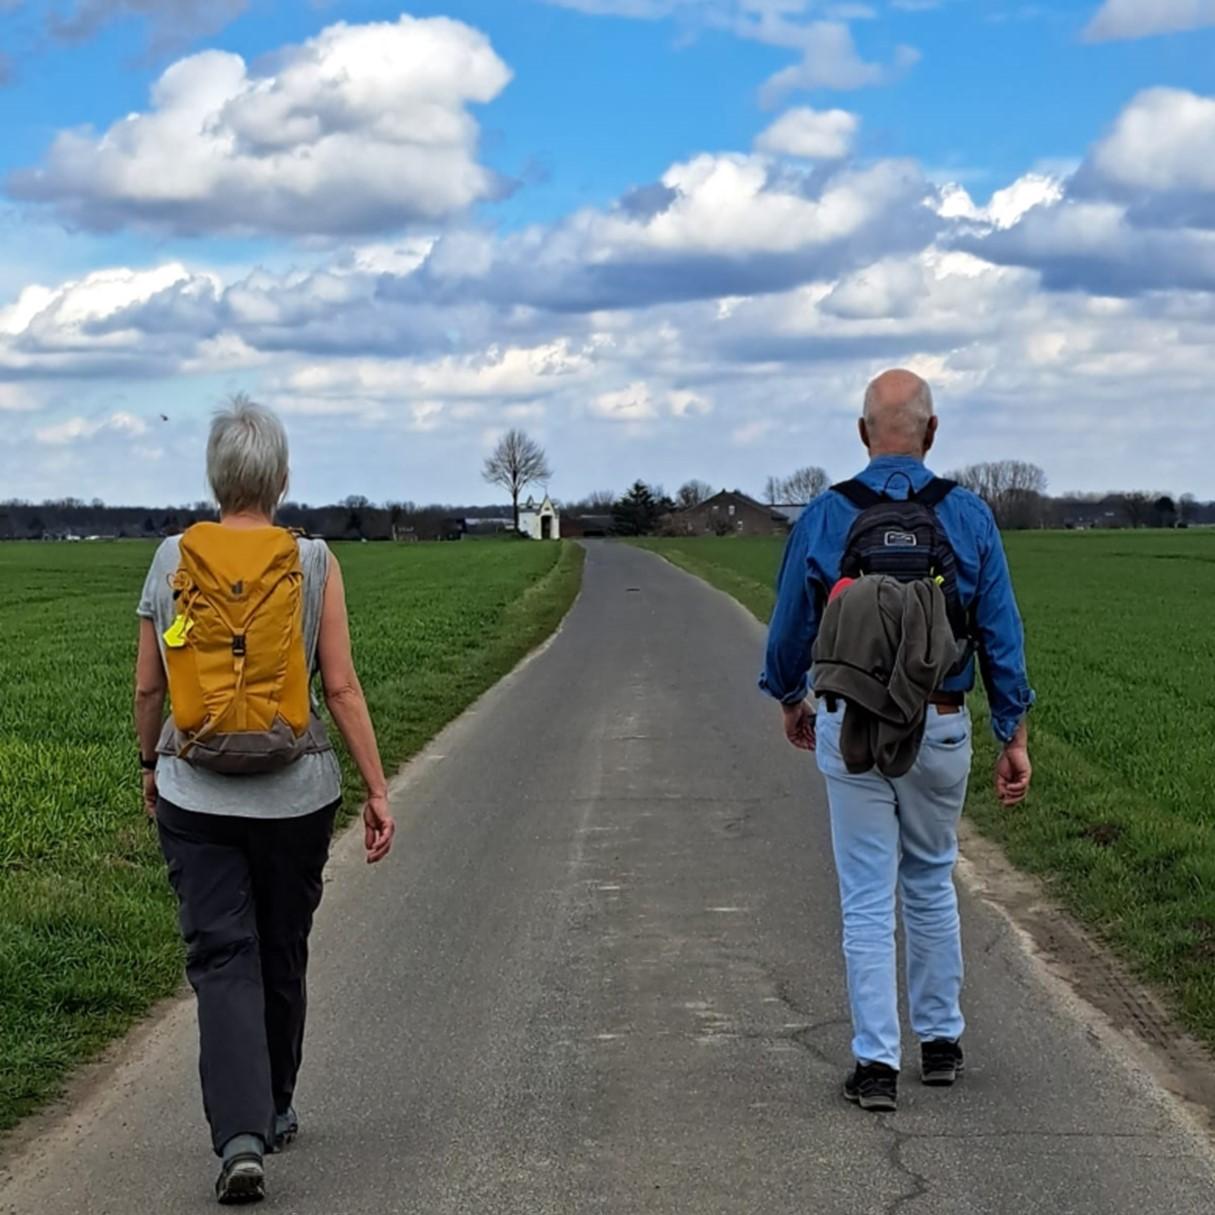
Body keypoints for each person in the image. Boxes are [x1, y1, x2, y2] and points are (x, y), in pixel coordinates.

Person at [134, 395, 395, 1204]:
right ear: (280, 478)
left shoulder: (172, 557)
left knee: (223, 958)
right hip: (296, 796)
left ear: (216, 478)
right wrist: (378, 789)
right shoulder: (313, 561)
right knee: (280, 948)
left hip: (195, 793)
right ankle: (275, 1104)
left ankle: (240, 1132)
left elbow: (150, 684)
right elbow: (341, 686)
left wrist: (150, 764)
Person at [761, 369, 1034, 1114]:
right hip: (940, 721)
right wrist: (1012, 732)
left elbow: (790, 626)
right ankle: (940, 1043)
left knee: (865, 895)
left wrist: (790, 697)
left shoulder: (825, 514)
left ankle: (875, 1063)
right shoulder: (969, 517)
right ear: (932, 432)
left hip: (849, 724)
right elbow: (1002, 635)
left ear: (860, 434)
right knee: (930, 875)